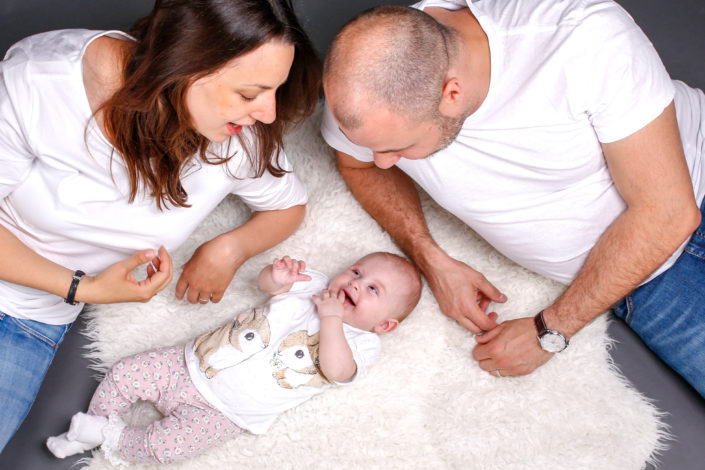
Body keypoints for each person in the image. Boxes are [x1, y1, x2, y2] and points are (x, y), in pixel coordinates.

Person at [320, 0, 705, 397]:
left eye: (401, 148)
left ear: (452, 93)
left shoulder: (583, 37)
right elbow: (359, 167)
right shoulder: (359, 89)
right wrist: (431, 260)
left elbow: (669, 213)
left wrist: (550, 330)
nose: (383, 163)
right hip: (648, 280)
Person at [0, 0, 322, 452]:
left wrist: (229, 249)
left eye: (273, 91)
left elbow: (289, 205)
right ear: (184, 66)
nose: (268, 113)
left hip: (25, 324)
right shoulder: (41, 82)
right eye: (250, 94)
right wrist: (83, 287)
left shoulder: (235, 139)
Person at [45, 252, 422, 464]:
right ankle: (89, 424)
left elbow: (337, 370)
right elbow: (268, 287)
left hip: (226, 414)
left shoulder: (363, 343)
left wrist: (332, 319)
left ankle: (108, 435)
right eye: (356, 271)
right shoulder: (317, 283)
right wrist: (275, 276)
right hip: (190, 363)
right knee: (126, 372)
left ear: (385, 325)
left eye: (372, 288)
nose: (355, 282)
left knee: (164, 448)